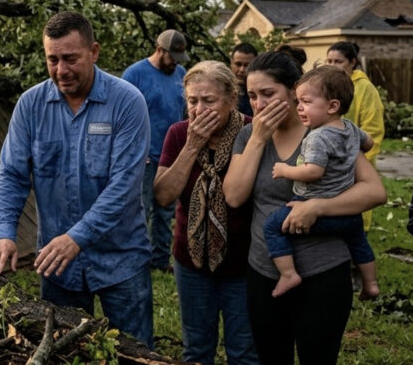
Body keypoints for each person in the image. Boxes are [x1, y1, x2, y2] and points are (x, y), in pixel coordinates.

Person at [0, 11, 154, 347]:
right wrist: (4, 234)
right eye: (53, 59)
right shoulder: (31, 105)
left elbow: (125, 185)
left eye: (71, 59)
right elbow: (13, 174)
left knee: (135, 351)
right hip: (59, 265)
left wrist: (77, 237)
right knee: (64, 349)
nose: (61, 70)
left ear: (94, 52)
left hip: (122, 259)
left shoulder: (127, 102)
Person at [224, 51, 386, 364]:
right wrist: (258, 139)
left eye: (268, 94)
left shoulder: (327, 132)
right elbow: (234, 196)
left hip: (323, 270)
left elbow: (374, 191)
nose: (259, 104)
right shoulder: (248, 135)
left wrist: (316, 207)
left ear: (294, 89)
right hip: (265, 269)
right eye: (253, 96)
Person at [154, 61, 258, 365]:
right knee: (197, 349)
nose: (199, 109)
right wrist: (191, 147)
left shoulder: (253, 132)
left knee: (243, 351)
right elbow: (163, 195)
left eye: (209, 101)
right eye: (192, 101)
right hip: (192, 261)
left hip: (243, 261)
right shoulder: (178, 134)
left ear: (230, 98)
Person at [265, 66, 379, 299]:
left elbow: (314, 172)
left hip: (316, 206)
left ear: (332, 106)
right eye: (298, 101)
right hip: (348, 210)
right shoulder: (350, 128)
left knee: (272, 227)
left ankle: (288, 274)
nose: (299, 107)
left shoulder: (317, 136)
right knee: (359, 243)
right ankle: (371, 283)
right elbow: (368, 145)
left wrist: (286, 170)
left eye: (306, 102)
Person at [123, 29, 188, 271]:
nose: (175, 63)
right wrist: (135, 152)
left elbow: (183, 113)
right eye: (172, 57)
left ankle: (160, 261)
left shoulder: (180, 74)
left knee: (165, 212)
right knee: (141, 211)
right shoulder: (135, 75)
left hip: (170, 156)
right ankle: (136, 261)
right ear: (159, 50)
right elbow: (123, 117)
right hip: (144, 158)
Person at [326, 41, 385, 231]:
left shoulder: (366, 89)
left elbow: (373, 130)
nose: (333, 65)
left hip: (356, 163)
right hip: (328, 164)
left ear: (352, 62)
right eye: (330, 60)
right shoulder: (325, 86)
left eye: (338, 61)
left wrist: (355, 161)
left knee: (355, 220)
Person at [231, 43, 258, 117]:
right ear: (231, 63)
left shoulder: (260, 94)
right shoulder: (222, 90)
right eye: (238, 64)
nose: (242, 70)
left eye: (247, 65)